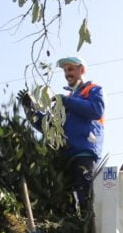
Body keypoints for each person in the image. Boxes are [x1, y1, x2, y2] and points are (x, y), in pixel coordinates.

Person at [18, 56, 105, 214]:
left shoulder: (92, 90)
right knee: (65, 203)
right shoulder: (65, 101)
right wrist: (30, 110)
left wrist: (65, 101)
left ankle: (88, 226)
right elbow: (48, 126)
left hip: (84, 154)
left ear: (81, 70)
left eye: (70, 69)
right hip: (65, 155)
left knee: (86, 200)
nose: (67, 74)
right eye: (65, 71)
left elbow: (95, 110)